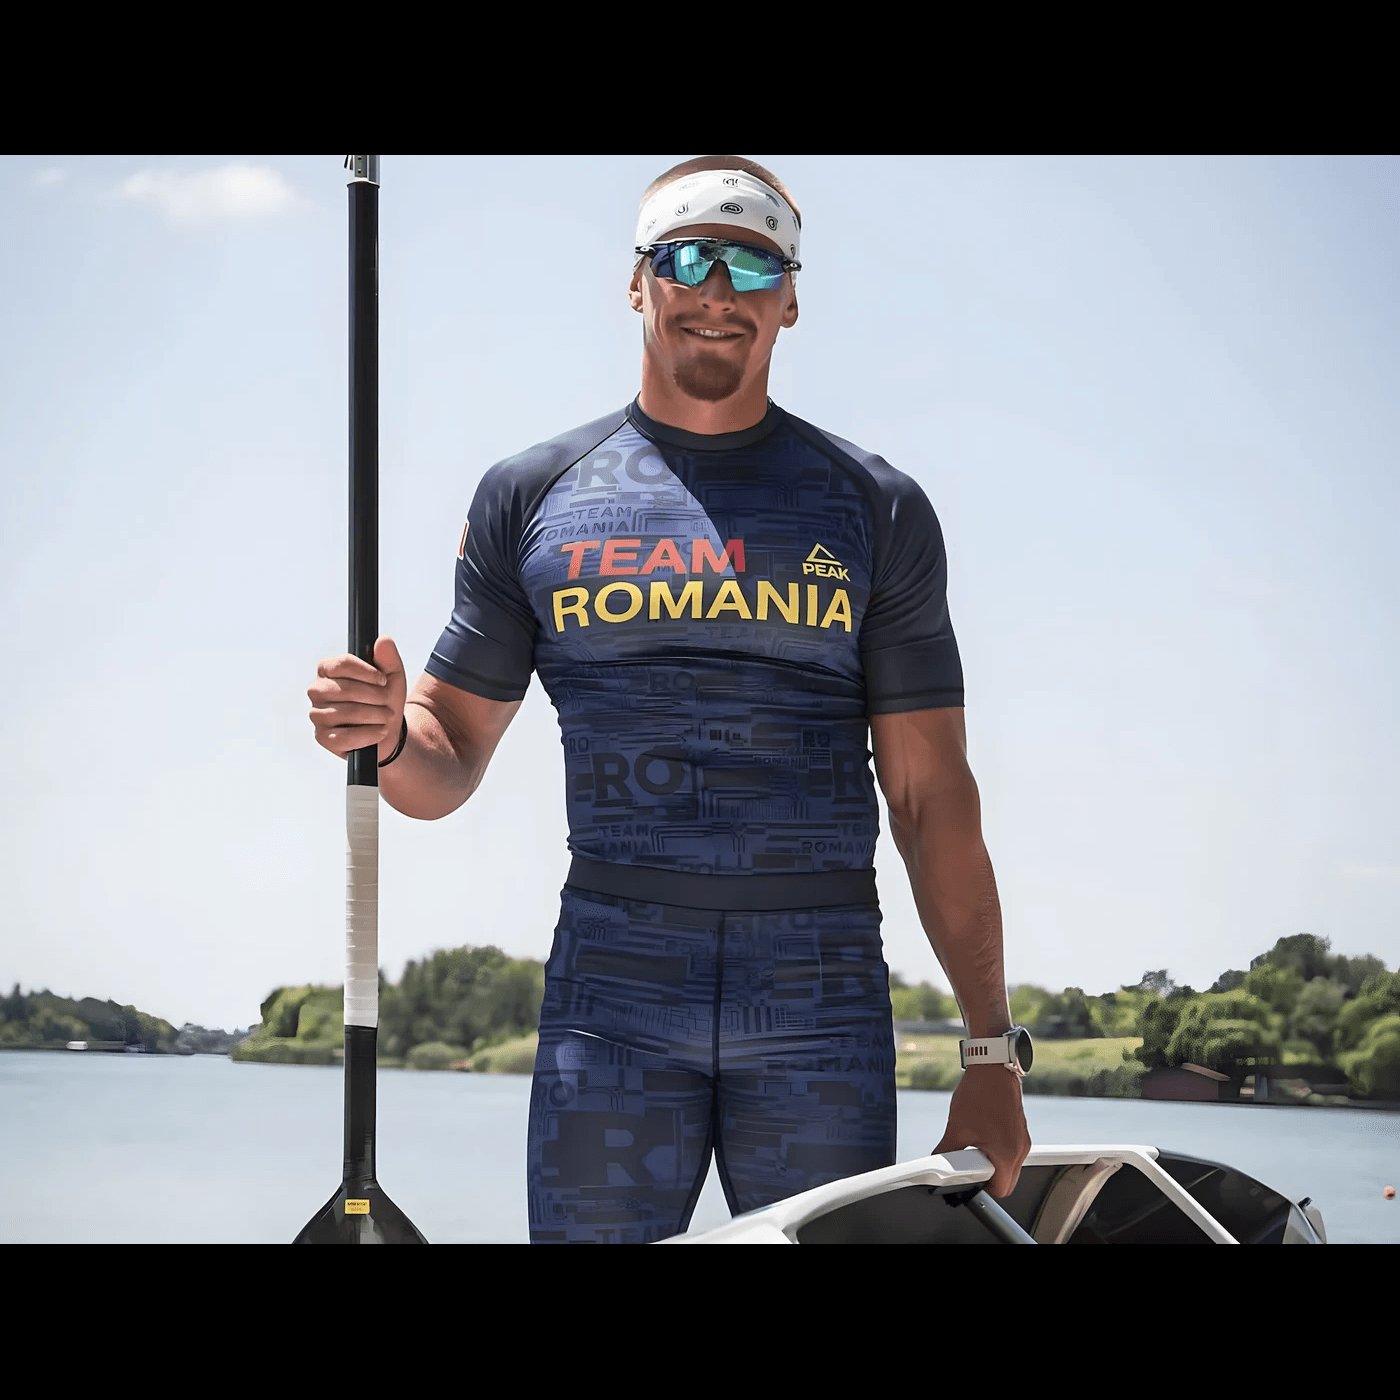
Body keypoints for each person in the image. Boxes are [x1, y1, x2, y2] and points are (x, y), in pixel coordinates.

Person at [308, 155, 1032, 1243]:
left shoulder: (874, 507)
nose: (718, 292)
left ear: (791, 299)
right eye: (688, 259)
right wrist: (385, 735)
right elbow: (443, 756)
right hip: (611, 995)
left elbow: (932, 798)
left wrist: (989, 1050)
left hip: (819, 995)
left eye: (755, 266)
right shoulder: (531, 496)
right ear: (636, 281)